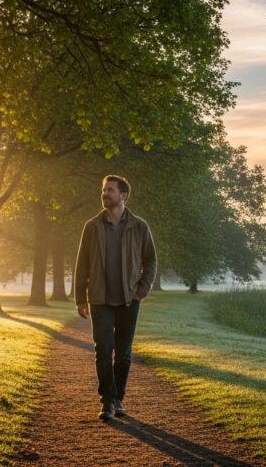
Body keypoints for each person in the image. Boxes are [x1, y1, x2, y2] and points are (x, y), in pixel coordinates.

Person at [74, 174, 157, 421]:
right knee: (103, 351)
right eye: (104, 190)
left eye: (110, 190)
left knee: (124, 353)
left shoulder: (140, 226)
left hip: (129, 299)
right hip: (99, 298)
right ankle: (107, 401)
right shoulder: (91, 226)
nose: (105, 194)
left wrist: (142, 289)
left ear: (123, 195)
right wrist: (80, 297)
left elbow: (150, 260)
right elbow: (82, 264)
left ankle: (119, 398)